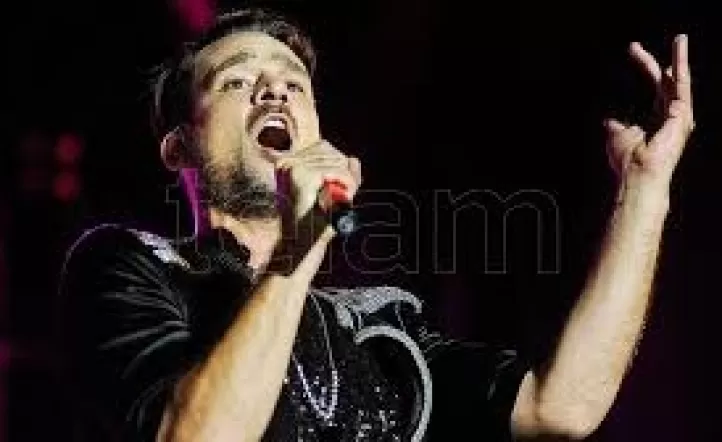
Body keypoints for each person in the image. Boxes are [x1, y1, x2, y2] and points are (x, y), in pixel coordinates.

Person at [57, 7, 695, 442]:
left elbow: (559, 408)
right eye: (237, 81)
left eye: (293, 85)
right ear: (179, 147)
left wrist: (645, 190)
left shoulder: (377, 325)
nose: (273, 92)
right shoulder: (129, 266)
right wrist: (300, 242)